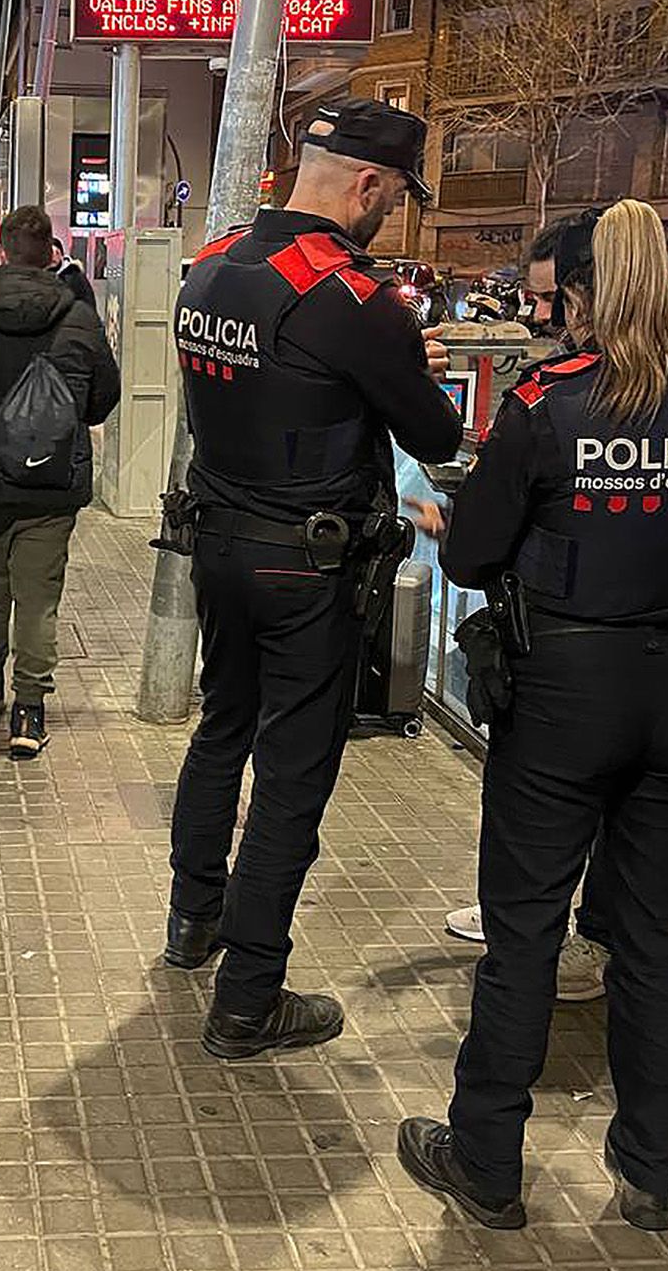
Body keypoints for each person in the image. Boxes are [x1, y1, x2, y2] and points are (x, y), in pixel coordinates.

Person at [397, 200, 668, 1235]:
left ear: (587, 293)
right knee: (652, 934)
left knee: (522, 933)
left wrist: (456, 525)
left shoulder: (547, 404)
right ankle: (650, 1172)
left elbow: (473, 557)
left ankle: (485, 1162)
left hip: (562, 695)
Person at [164, 100, 461, 1061]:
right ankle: (248, 998)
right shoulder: (355, 302)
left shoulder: (210, 266)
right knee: (293, 774)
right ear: (367, 186)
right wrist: (413, 365)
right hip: (308, 565)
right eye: (395, 199)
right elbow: (437, 437)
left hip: (217, 542)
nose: (389, 219)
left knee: (221, 731)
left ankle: (192, 922)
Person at [0, 206, 120, 759]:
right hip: (52, 487)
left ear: (2, 248)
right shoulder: (79, 317)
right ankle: (29, 711)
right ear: (50, 250)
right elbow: (104, 398)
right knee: (39, 601)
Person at [50, 236, 98, 311]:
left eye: (57, 253)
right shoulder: (41, 276)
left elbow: (88, 303)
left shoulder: (74, 276)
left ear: (62, 255)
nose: (53, 257)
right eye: (50, 253)